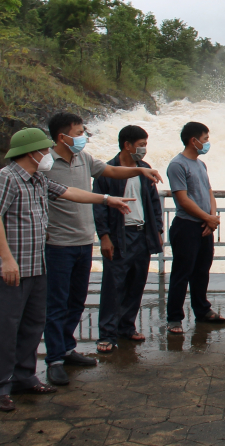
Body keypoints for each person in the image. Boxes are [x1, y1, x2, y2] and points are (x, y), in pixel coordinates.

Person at [0, 127, 135, 412]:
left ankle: (24, 378)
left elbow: (71, 193)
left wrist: (107, 200)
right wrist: (6, 259)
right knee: (5, 330)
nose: (48, 154)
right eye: (44, 150)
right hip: (11, 269)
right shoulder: (5, 178)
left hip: (37, 265)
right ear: (32, 153)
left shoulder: (38, 179)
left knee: (31, 326)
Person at [43, 112, 163, 386]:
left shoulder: (84, 159)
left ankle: (68, 349)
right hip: (59, 244)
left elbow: (111, 172)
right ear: (62, 136)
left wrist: (140, 169)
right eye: (79, 131)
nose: (84, 136)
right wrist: (107, 221)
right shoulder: (45, 163)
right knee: (58, 303)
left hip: (85, 242)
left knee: (76, 301)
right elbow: (82, 196)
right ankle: (55, 360)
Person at [92, 125, 165, 352]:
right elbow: (100, 207)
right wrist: (104, 236)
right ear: (127, 145)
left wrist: (159, 232)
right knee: (114, 286)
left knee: (136, 283)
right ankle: (107, 334)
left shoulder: (145, 169)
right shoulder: (107, 170)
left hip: (142, 234)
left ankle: (126, 327)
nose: (144, 149)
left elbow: (153, 203)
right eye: (141, 145)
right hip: (119, 235)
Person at [165, 121, 225, 334]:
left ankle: (202, 310)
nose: (207, 143)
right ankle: (174, 318)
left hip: (203, 225)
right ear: (194, 140)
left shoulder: (200, 164)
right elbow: (182, 199)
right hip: (186, 227)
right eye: (205, 139)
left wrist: (211, 217)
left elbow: (209, 192)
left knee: (201, 271)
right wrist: (207, 219)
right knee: (182, 273)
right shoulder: (177, 165)